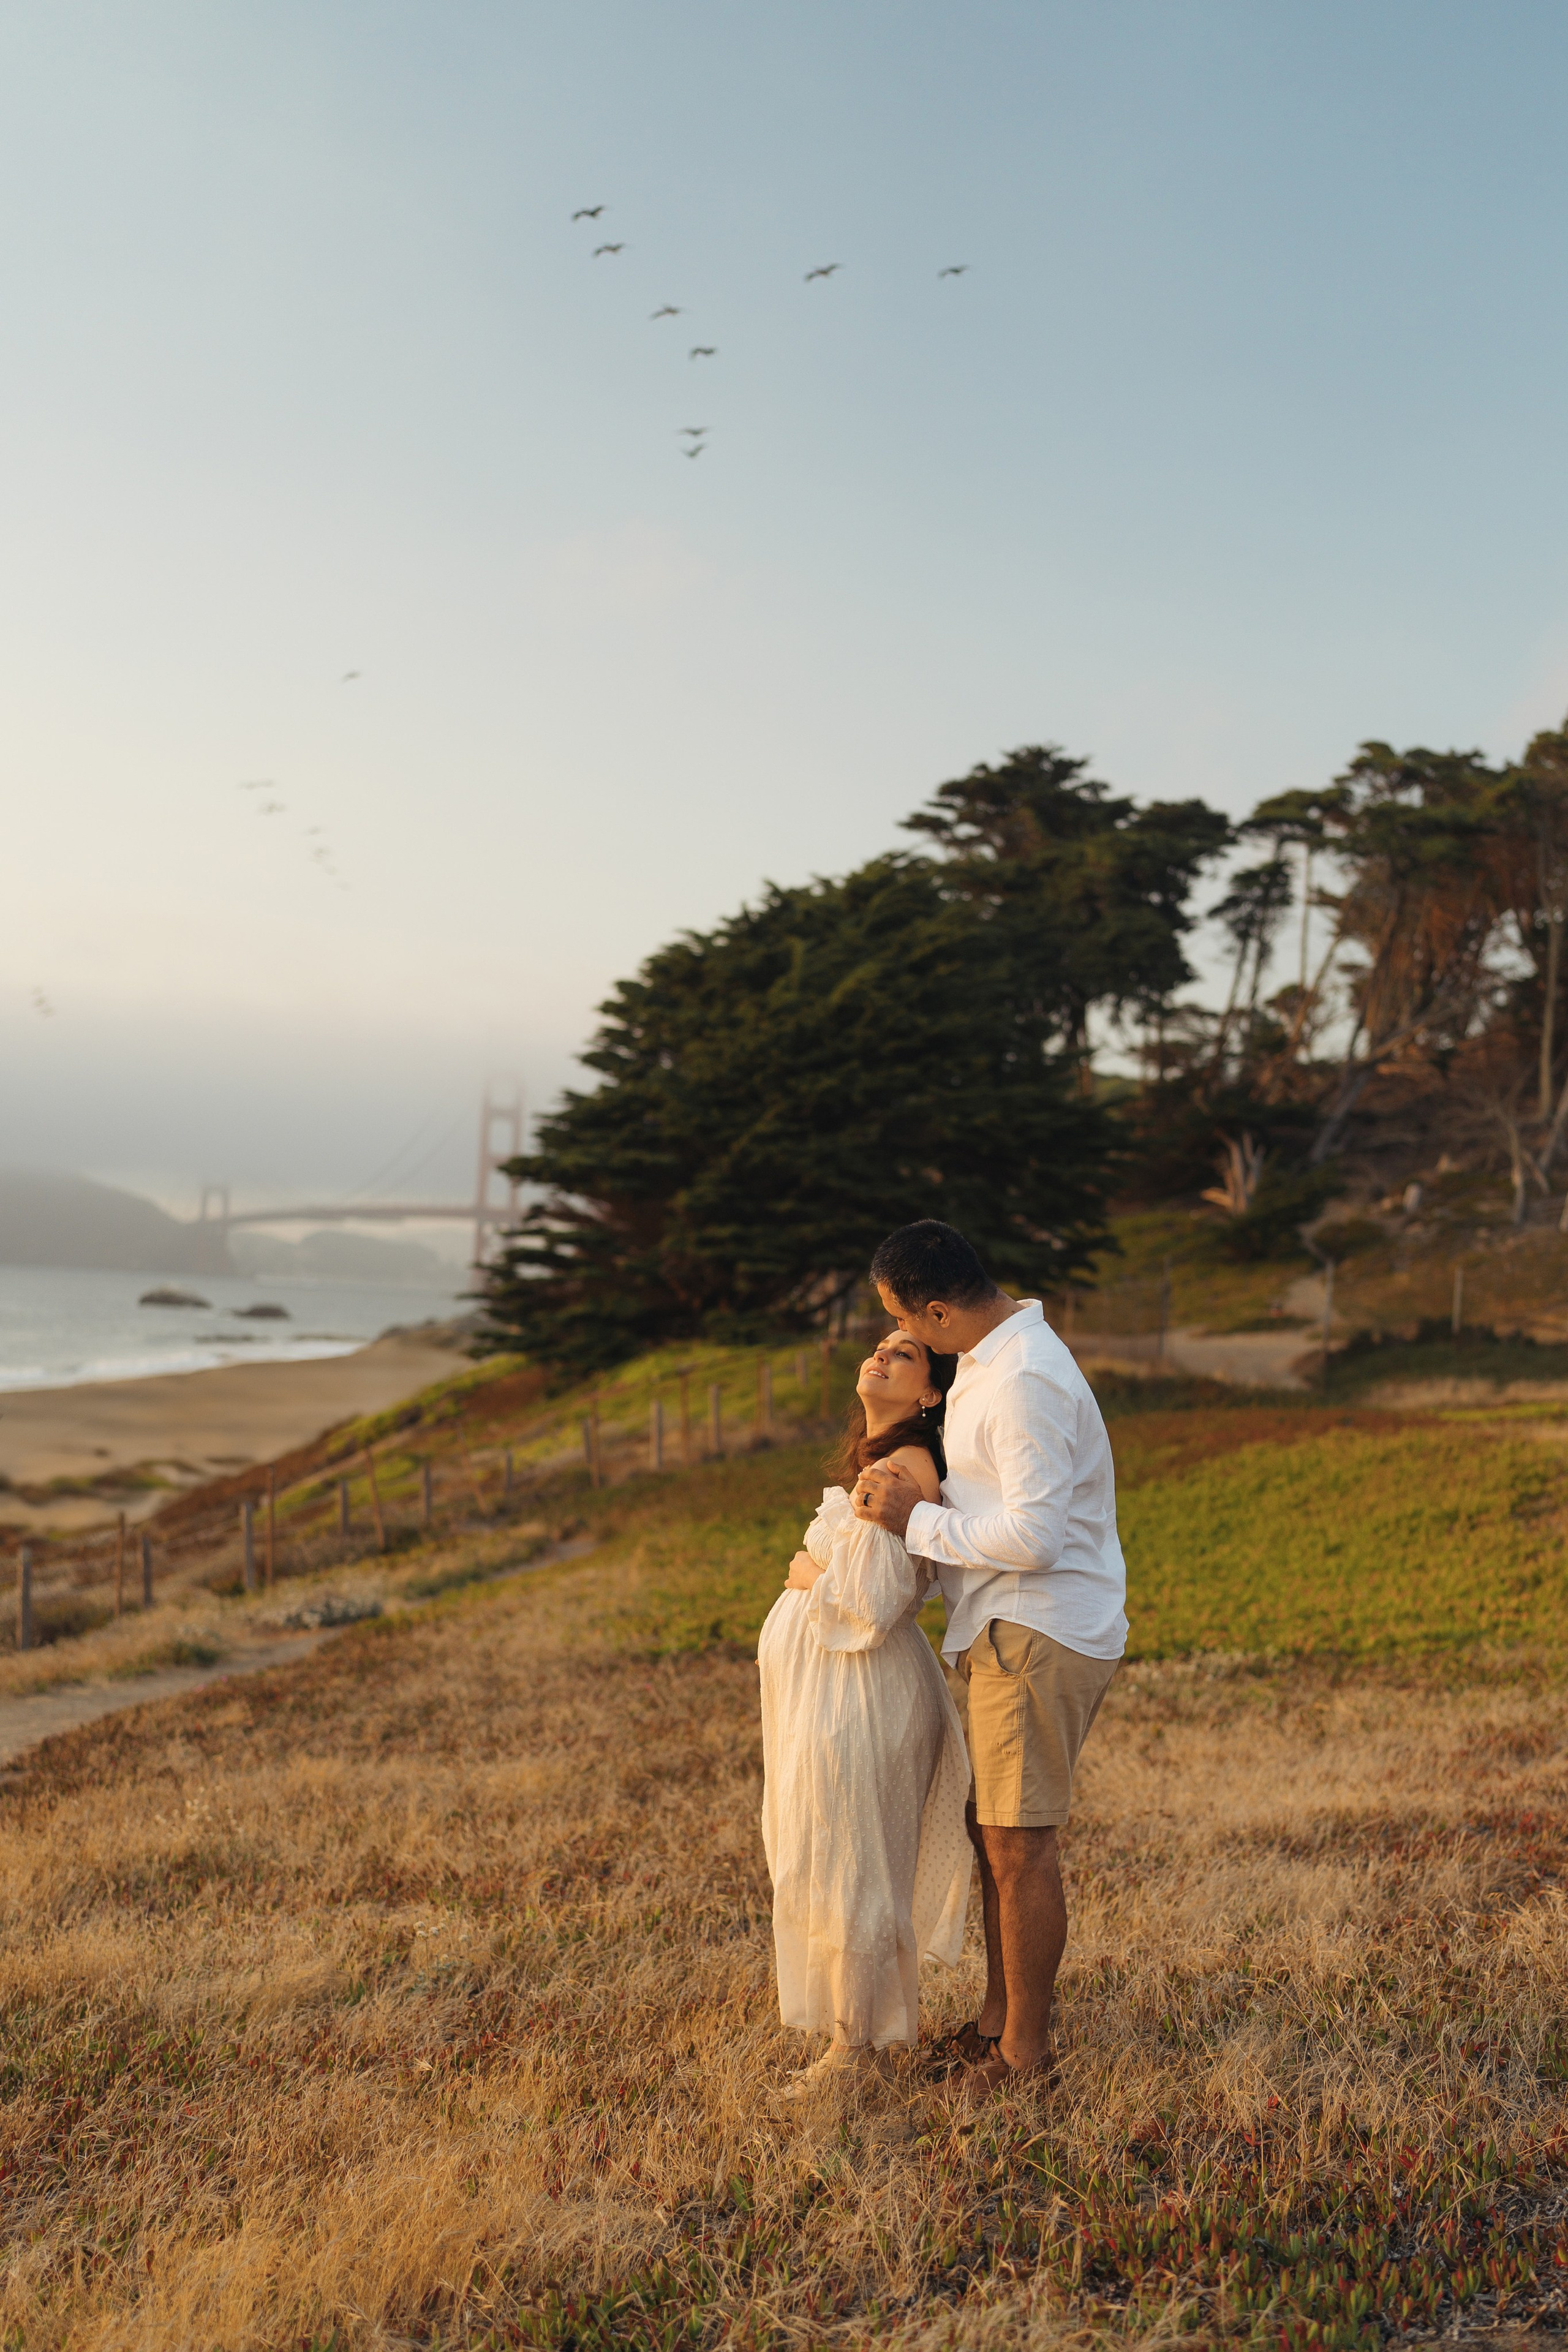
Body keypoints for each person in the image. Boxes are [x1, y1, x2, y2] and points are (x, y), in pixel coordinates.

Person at [851, 1219, 1126, 2102]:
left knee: (1019, 1846)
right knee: (994, 1835)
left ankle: (1025, 2060)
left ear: (939, 1309)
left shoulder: (1025, 1383)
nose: (898, 1334)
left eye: (902, 1318)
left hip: (1037, 1625)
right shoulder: (988, 1362)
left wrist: (914, 1523)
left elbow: (1037, 1537)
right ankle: (994, 2026)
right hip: (1007, 1624)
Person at [757, 1330, 973, 2091]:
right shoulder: (876, 1462)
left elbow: (874, 1604)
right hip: (835, 1689)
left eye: (904, 1355)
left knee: (853, 1865)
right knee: (829, 1855)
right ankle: (851, 2040)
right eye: (880, 1346)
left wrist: (809, 1574)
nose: (880, 1356)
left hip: (864, 1692)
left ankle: (853, 2057)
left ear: (929, 1394)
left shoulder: (908, 1466)